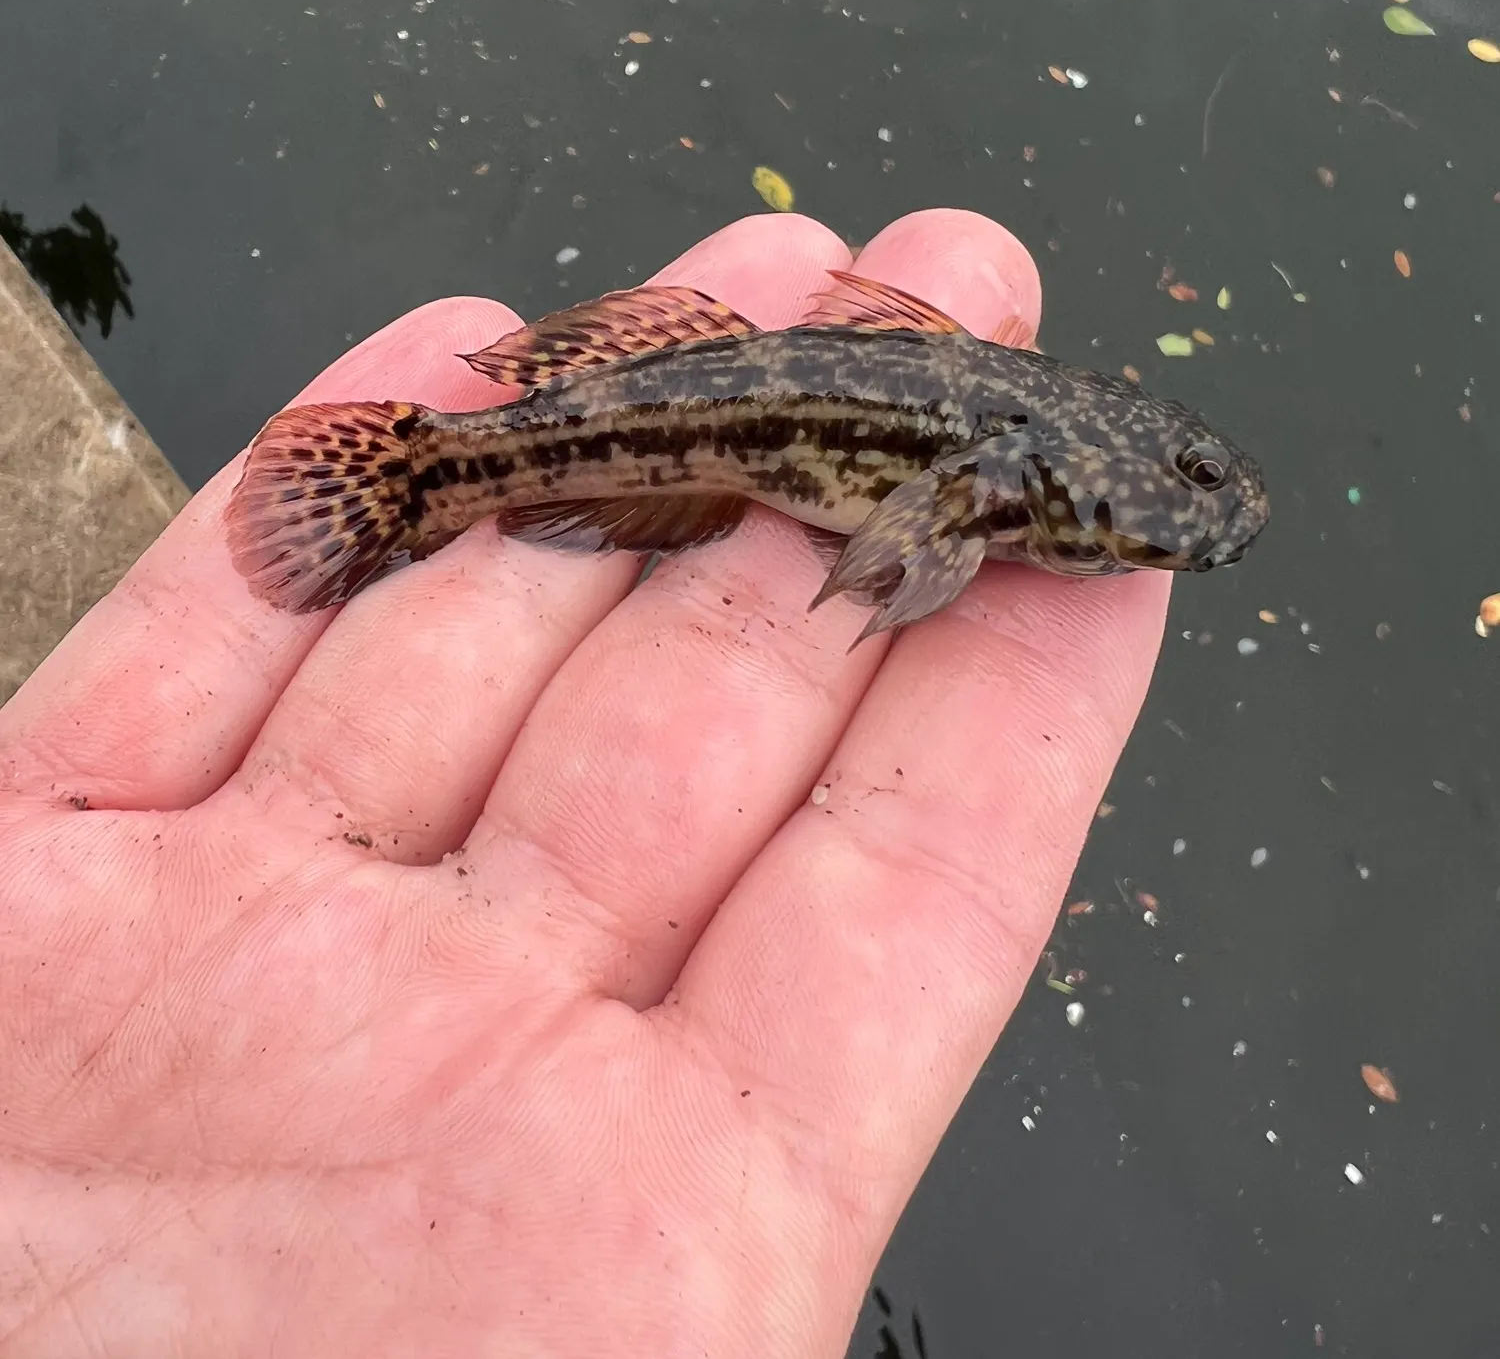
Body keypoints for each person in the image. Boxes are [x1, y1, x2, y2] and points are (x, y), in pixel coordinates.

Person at [0, 209, 1168, 1356]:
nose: (1179, 507)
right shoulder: (992, 459)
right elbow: (904, 547)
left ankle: (431, 472)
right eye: (1181, 478)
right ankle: (420, 473)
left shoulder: (1005, 437)